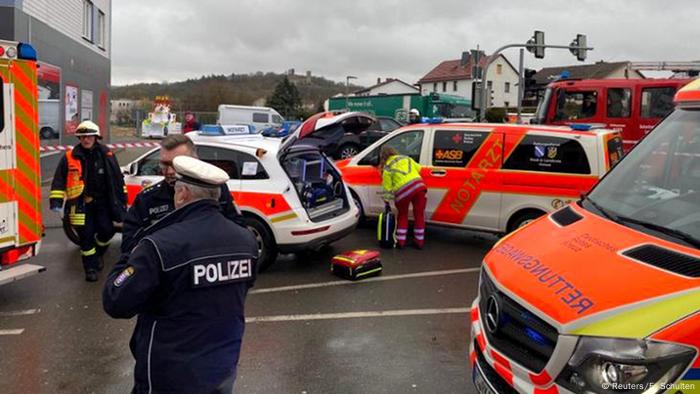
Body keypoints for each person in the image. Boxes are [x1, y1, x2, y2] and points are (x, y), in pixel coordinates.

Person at [103, 156, 258, 394]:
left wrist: (129, 255)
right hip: (223, 364)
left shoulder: (159, 245)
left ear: (182, 193)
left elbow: (116, 300)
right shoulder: (246, 239)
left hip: (170, 373)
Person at [121, 134, 245, 254]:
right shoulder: (147, 199)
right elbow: (129, 246)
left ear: (194, 161)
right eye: (165, 164)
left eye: (176, 164)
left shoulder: (217, 190)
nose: (169, 171)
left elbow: (237, 229)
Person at [49, 121, 127, 282]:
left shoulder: (107, 154)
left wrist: (122, 200)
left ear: (95, 137)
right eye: (83, 136)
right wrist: (56, 202)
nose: (86, 139)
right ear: (79, 138)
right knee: (85, 237)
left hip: (103, 203)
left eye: (89, 136)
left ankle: (98, 253)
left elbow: (117, 179)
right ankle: (90, 269)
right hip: (80, 204)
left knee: (107, 231)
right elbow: (59, 180)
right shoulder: (69, 156)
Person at [379, 146, 427, 249]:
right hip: (419, 187)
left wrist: (386, 202)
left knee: (402, 215)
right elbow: (419, 169)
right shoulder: (406, 158)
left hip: (403, 192)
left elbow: (387, 188)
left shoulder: (387, 167)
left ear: (383, 156)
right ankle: (419, 242)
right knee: (419, 215)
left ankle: (401, 241)